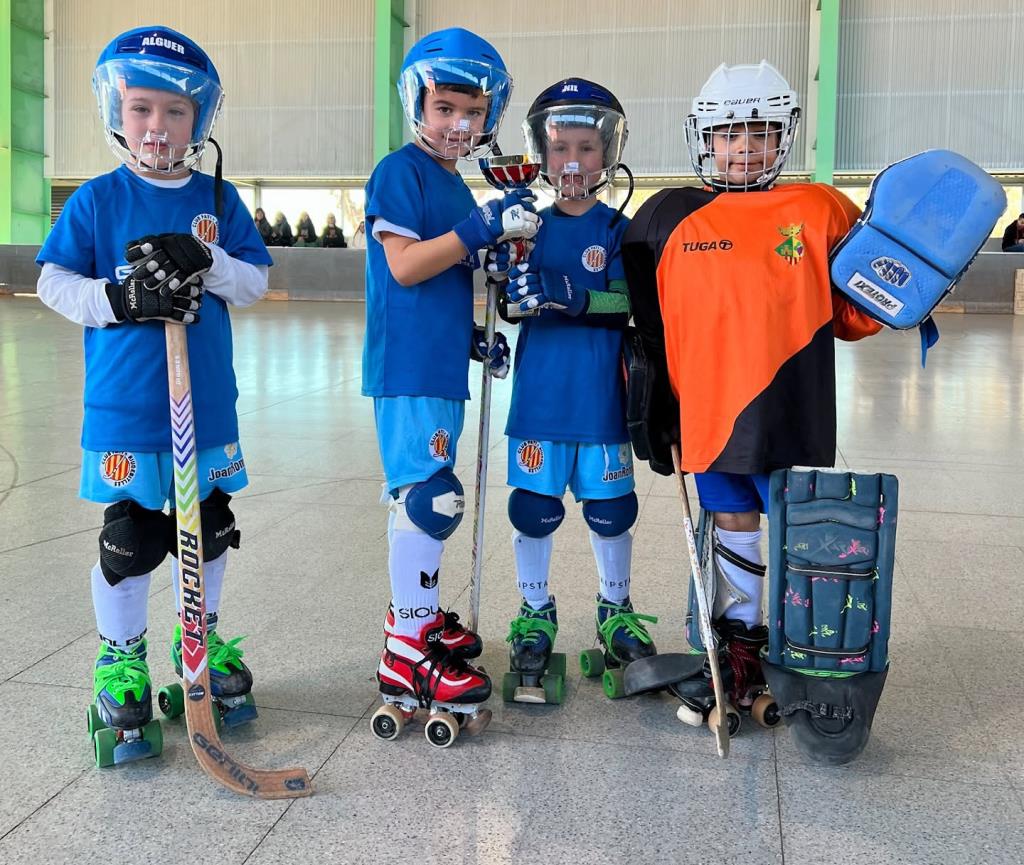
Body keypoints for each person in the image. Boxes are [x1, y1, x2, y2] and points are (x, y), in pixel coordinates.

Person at [34, 25, 273, 763]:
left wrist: (210, 257)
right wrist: (121, 298)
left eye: (174, 112)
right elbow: (51, 281)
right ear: (117, 111)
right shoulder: (100, 201)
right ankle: (121, 654)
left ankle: (195, 634)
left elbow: (256, 282)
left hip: (207, 403)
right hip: (126, 405)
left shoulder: (217, 197)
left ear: (198, 120)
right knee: (132, 536)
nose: (157, 128)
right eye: (141, 109)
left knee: (212, 522)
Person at [622, 60, 881, 718]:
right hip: (708, 417)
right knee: (733, 524)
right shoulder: (667, 215)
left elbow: (857, 313)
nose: (743, 148)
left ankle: (811, 650)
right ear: (703, 138)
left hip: (789, 412)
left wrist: (907, 279)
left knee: (803, 533)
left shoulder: (819, 209)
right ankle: (739, 644)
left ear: (783, 137)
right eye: (728, 134)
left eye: (759, 132)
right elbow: (650, 332)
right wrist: (653, 411)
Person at [363, 27, 539, 731]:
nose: (458, 125)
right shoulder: (399, 171)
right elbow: (404, 266)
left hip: (437, 367)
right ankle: (407, 647)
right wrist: (480, 229)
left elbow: (436, 288)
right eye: (445, 109)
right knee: (430, 498)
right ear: (418, 104)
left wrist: (474, 338)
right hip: (406, 369)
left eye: (472, 112)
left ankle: (419, 615)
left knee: (424, 495)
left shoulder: (451, 180)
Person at [489, 79, 655, 699]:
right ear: (542, 153)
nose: (573, 163)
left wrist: (573, 295)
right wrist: (504, 278)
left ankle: (615, 610)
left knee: (612, 513)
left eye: (587, 149)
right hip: (539, 401)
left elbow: (629, 303)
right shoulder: (524, 223)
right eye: (561, 150)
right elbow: (507, 301)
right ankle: (535, 613)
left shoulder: (619, 228)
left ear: (607, 153)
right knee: (533, 511)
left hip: (602, 405)